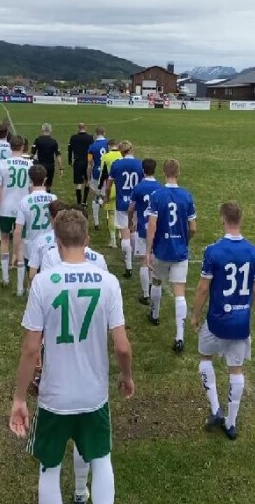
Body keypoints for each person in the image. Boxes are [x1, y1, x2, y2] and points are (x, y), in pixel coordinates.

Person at [9, 208, 135, 504]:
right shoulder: (108, 282)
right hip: (93, 394)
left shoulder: (43, 282)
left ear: (57, 240)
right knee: (101, 460)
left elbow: (30, 348)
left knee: (49, 468)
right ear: (87, 239)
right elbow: (122, 346)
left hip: (55, 395)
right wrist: (126, 375)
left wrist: (18, 398)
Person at [190, 201, 255, 440]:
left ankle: (215, 409)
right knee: (236, 370)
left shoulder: (213, 251)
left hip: (217, 320)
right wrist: (246, 311)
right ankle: (231, 423)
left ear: (223, 219)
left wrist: (196, 314)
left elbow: (202, 288)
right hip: (241, 322)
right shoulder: (254, 252)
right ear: (240, 220)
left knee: (204, 357)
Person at [144, 159, 197, 353]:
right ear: (179, 172)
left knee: (157, 281)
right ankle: (180, 336)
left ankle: (155, 314)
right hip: (180, 251)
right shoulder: (187, 196)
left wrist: (148, 251)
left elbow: (152, 225)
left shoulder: (157, 195)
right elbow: (193, 228)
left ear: (164, 173)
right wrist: (185, 240)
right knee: (179, 292)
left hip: (161, 249)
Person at [0, 136, 34, 288]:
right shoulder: (29, 164)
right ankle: (20, 285)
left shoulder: (3, 164)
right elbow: (31, 188)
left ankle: (5, 278)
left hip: (6, 208)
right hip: (23, 208)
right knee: (21, 244)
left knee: (4, 240)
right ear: (23, 147)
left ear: (10, 147)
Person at [12, 164, 58, 297]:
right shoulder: (53, 198)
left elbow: (18, 230)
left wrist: (16, 252)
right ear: (45, 179)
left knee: (33, 276)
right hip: (51, 244)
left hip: (31, 245)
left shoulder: (25, 201)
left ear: (30, 179)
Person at [106, 140, 143, 278]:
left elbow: (109, 185)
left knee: (124, 232)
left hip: (122, 203)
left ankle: (128, 266)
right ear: (132, 149)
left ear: (121, 152)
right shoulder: (140, 164)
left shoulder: (117, 164)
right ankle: (136, 256)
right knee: (134, 231)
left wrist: (107, 197)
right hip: (137, 203)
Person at [127, 158, 162, 304]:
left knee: (143, 260)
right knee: (154, 260)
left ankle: (146, 294)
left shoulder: (139, 187)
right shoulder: (160, 187)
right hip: (157, 229)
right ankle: (155, 287)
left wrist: (130, 221)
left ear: (143, 170)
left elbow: (131, 208)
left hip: (143, 229)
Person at [97, 138, 122, 248]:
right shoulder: (122, 156)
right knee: (121, 213)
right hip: (122, 187)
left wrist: (99, 188)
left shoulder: (105, 157)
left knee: (111, 214)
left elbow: (103, 174)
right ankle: (121, 234)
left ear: (108, 146)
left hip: (110, 187)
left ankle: (113, 240)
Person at [86, 126, 110, 228]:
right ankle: (110, 219)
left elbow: (89, 163)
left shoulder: (92, 146)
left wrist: (88, 178)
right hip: (108, 175)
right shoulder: (109, 144)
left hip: (96, 173)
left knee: (96, 197)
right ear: (104, 133)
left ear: (96, 134)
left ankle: (96, 222)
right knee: (108, 196)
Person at [31, 123, 64, 193]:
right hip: (50, 166)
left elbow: (32, 153)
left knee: (40, 183)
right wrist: (61, 168)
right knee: (48, 185)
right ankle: (47, 197)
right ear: (50, 130)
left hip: (40, 166)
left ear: (42, 130)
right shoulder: (54, 141)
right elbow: (58, 155)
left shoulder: (38, 140)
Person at [68, 123, 94, 207]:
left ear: (78, 128)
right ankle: (84, 201)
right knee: (87, 181)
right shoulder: (90, 138)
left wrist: (69, 160)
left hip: (78, 162)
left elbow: (70, 150)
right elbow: (92, 151)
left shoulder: (73, 137)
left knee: (79, 184)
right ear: (85, 128)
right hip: (87, 162)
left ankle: (79, 203)